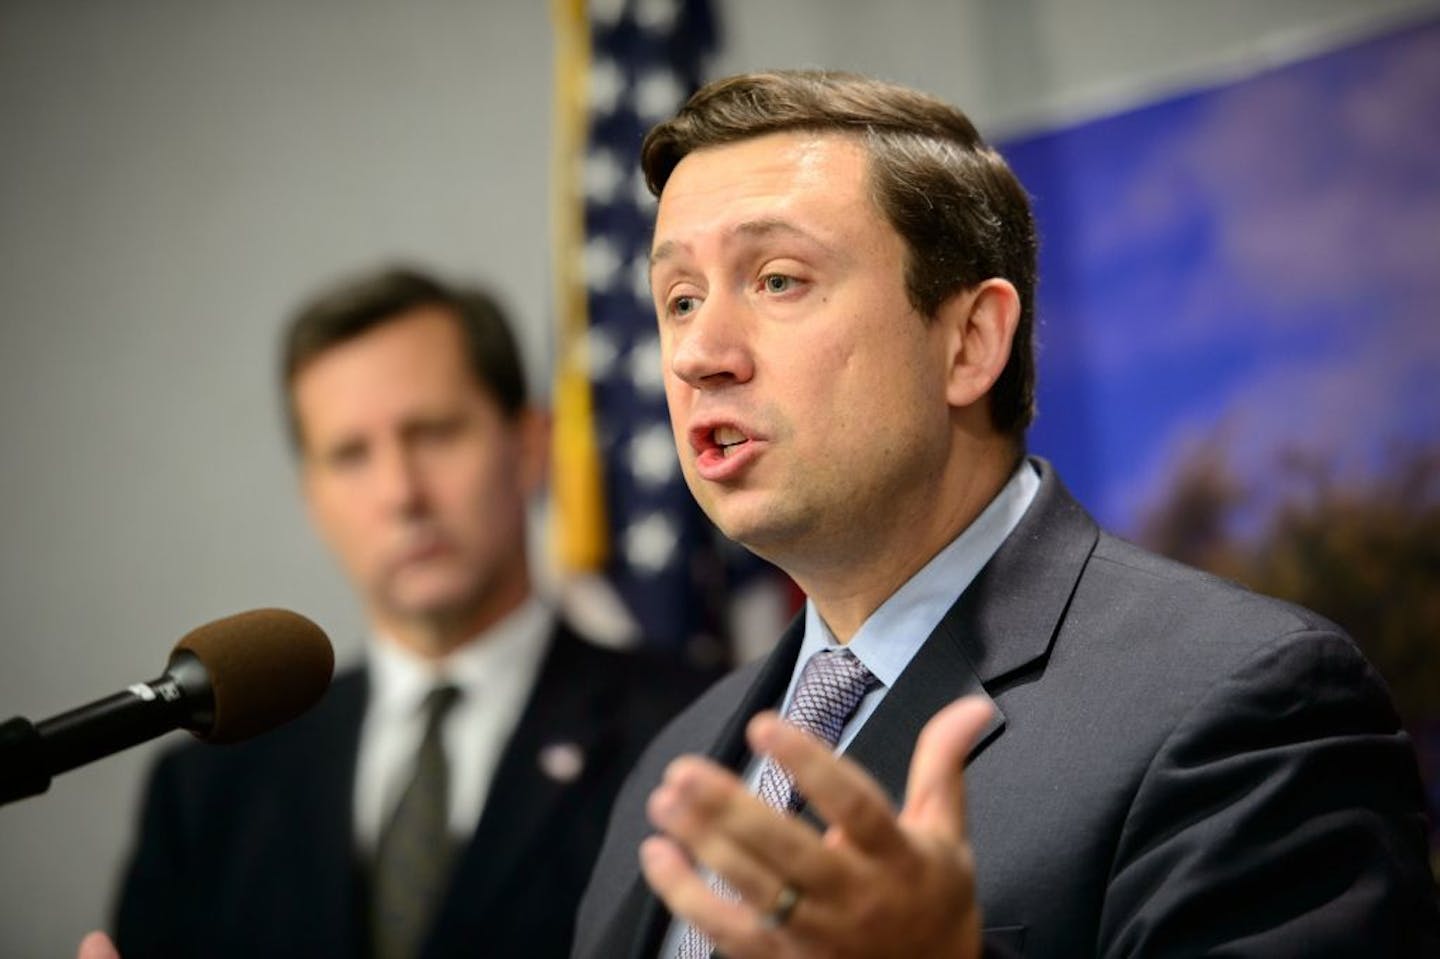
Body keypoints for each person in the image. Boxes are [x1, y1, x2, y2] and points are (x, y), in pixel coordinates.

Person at [570, 70, 1440, 958]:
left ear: (971, 342)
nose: (701, 355)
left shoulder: (1249, 709)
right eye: (679, 300)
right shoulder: (672, 767)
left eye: (779, 279)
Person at [107, 266, 714, 959]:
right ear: (312, 496)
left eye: (433, 433)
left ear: (529, 446)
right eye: (350, 454)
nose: (401, 492)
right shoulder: (207, 792)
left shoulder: (697, 734)